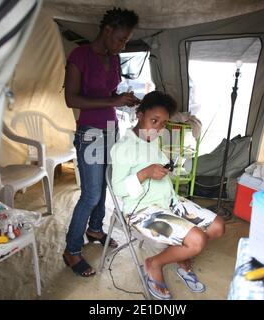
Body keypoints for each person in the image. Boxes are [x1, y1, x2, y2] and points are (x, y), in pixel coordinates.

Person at [110, 91, 225, 300]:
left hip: (168, 201)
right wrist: (145, 173)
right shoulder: (122, 148)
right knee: (197, 241)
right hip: (142, 210)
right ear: (139, 113)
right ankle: (154, 263)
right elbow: (118, 188)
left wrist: (163, 166)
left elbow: (153, 163)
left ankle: (183, 253)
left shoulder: (152, 139)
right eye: (154, 121)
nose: (158, 128)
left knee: (218, 226)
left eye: (163, 124)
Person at [63, 8, 140, 277]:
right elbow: (72, 99)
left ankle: (95, 228)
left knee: (106, 184)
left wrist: (123, 97)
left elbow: (108, 93)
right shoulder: (80, 56)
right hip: (90, 132)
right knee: (91, 193)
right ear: (107, 30)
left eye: (127, 40)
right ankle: (72, 251)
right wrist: (113, 101)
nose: (123, 44)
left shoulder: (114, 58)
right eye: (121, 38)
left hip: (110, 127)